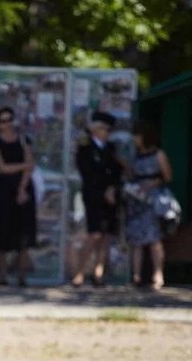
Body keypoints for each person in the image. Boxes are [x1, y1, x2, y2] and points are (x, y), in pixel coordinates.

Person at [72, 110, 122, 287]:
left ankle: (98, 272)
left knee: (106, 235)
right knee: (94, 234)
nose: (107, 133)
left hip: (110, 196)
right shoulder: (85, 147)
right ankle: (79, 272)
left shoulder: (110, 148)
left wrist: (112, 188)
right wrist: (103, 188)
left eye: (109, 130)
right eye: (104, 129)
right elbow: (87, 171)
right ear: (95, 129)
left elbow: (116, 171)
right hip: (93, 194)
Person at [0, 107, 36, 287]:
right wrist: (24, 165)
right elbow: (3, 168)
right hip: (4, 191)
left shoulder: (24, 140)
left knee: (24, 235)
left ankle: (22, 276)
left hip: (23, 189)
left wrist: (23, 188)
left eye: (9, 119)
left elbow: (30, 166)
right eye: (2, 120)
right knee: (2, 233)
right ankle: (2, 275)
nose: (6, 124)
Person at [125, 121, 172, 290]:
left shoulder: (158, 155)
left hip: (153, 199)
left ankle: (158, 274)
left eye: (137, 136)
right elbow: (130, 174)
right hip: (137, 198)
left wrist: (152, 183)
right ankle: (136, 275)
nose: (135, 139)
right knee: (136, 240)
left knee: (154, 238)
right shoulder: (134, 156)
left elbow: (167, 176)